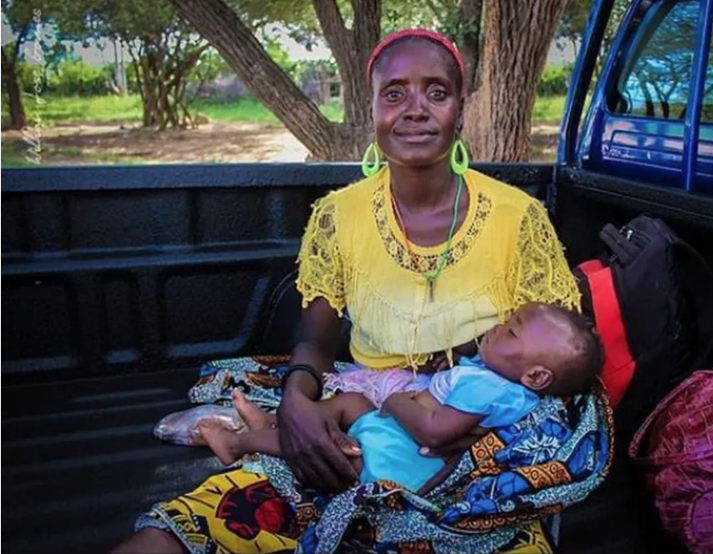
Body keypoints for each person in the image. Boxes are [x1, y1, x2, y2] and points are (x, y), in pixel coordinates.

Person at [114, 28, 581, 554]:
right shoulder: (339, 215)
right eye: (394, 93)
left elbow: (550, 357)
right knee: (190, 526)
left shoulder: (518, 217)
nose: (415, 109)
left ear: (460, 108)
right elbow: (315, 341)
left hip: (475, 450)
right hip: (365, 418)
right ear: (372, 108)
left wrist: (477, 432)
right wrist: (295, 404)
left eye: (436, 92)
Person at [199, 303, 602, 494]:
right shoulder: (502, 382)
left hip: (397, 456)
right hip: (402, 435)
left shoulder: (490, 388)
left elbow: (434, 433)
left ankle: (237, 443)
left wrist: (392, 403)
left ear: (536, 375)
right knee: (350, 402)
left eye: (511, 332)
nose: (498, 327)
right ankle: (271, 428)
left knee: (332, 442)